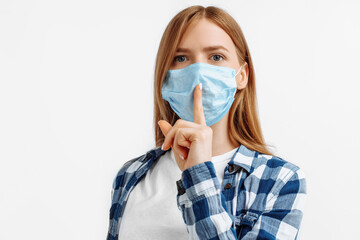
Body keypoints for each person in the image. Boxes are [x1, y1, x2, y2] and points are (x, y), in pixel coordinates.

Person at [107, 5, 306, 240]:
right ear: (164, 77)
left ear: (241, 75)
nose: (198, 72)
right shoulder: (130, 175)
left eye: (216, 57)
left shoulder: (279, 180)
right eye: (180, 58)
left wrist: (198, 172)